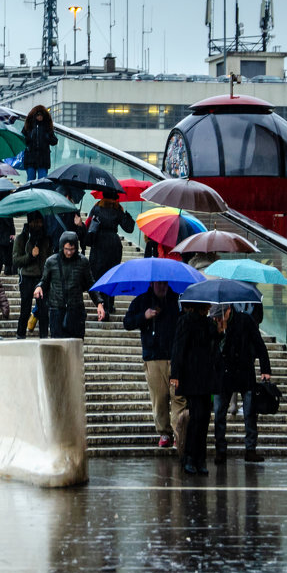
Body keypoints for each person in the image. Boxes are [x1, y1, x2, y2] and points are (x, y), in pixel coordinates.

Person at [123, 281, 183, 449]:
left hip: (176, 356)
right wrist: (145, 316)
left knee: (179, 397)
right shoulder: (142, 301)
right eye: (159, 284)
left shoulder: (177, 300)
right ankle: (164, 432)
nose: (162, 287)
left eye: (165, 283)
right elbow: (127, 322)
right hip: (154, 357)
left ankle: (179, 433)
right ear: (152, 284)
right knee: (160, 397)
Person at [212, 304, 272, 464]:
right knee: (219, 412)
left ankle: (250, 449)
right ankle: (220, 449)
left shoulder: (245, 320)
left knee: (250, 412)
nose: (217, 319)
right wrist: (219, 333)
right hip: (223, 374)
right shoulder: (214, 324)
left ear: (229, 310)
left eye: (219, 316)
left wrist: (265, 368)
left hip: (244, 371)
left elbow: (259, 343)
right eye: (214, 317)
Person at [170, 301, 218, 475]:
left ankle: (200, 458)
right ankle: (190, 456)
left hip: (205, 377)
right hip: (191, 376)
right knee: (197, 416)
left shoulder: (208, 323)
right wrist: (175, 374)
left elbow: (214, 344)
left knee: (204, 417)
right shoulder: (186, 321)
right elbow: (178, 348)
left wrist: (220, 329)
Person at [34, 231, 101, 339]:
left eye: (72, 249)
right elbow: (44, 280)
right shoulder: (51, 262)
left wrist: (99, 303)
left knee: (75, 345)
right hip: (57, 309)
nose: (69, 252)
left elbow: (90, 283)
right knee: (58, 347)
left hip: (76, 309)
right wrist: (39, 287)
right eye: (66, 249)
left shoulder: (82, 262)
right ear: (61, 247)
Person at [82, 193, 136, 315]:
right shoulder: (118, 210)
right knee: (112, 275)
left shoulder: (96, 208)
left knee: (98, 275)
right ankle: (109, 304)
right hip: (114, 245)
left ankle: (101, 304)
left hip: (99, 243)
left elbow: (88, 225)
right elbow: (129, 228)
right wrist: (126, 214)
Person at [12, 211, 55, 338]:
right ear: (30, 222)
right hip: (26, 278)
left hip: (42, 278)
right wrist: (30, 256)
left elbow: (49, 258)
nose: (38, 224)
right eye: (35, 222)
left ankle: (44, 337)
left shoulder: (46, 238)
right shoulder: (21, 238)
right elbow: (16, 261)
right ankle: (20, 334)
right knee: (25, 309)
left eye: (40, 222)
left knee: (43, 310)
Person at [21, 104, 58, 180]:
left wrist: (47, 137)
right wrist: (27, 139)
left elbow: (54, 141)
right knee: (30, 181)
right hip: (30, 158)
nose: (40, 117)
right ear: (34, 116)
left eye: (41, 115)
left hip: (43, 158)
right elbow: (22, 139)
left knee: (42, 181)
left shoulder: (47, 127)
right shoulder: (28, 126)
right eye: (38, 115)